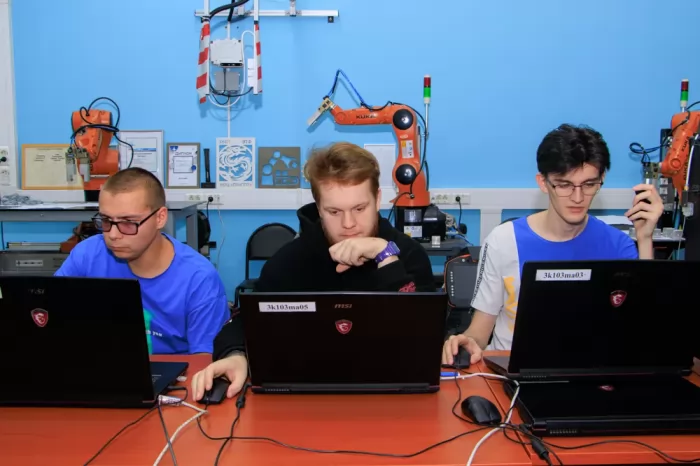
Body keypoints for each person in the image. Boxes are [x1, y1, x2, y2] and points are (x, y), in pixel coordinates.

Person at [191, 141, 435, 400]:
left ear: (377, 200)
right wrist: (237, 355)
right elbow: (247, 323)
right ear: (319, 209)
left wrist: (385, 256)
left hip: (395, 395)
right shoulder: (290, 260)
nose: (349, 224)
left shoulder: (409, 254)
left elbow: (424, 335)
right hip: (305, 395)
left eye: (359, 208)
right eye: (334, 211)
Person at [443, 124, 663, 365]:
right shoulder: (503, 240)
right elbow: (479, 334)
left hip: (591, 371)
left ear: (601, 180)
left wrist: (645, 239)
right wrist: (466, 342)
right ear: (543, 182)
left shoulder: (618, 245)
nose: (578, 198)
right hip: (513, 373)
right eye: (564, 185)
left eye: (589, 185)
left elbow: (644, 332)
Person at [55, 167, 229, 354]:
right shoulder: (87, 255)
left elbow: (205, 359)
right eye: (106, 220)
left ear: (160, 218)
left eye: (128, 222)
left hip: (175, 371)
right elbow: (49, 314)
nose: (113, 235)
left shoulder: (199, 278)